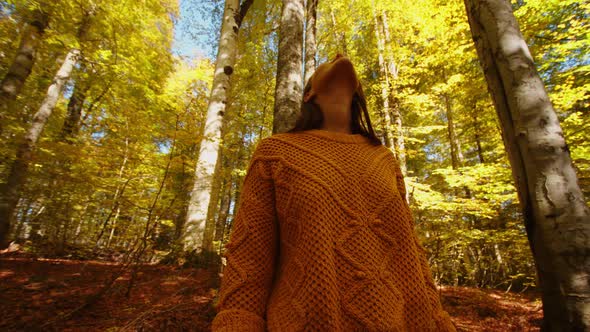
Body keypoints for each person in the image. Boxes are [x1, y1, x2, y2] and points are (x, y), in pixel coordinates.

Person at [210, 54, 457, 331]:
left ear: (357, 93)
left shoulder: (384, 158)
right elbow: (250, 258)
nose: (339, 57)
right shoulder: (275, 153)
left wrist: (438, 319)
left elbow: (411, 252)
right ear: (309, 95)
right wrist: (237, 322)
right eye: (324, 64)